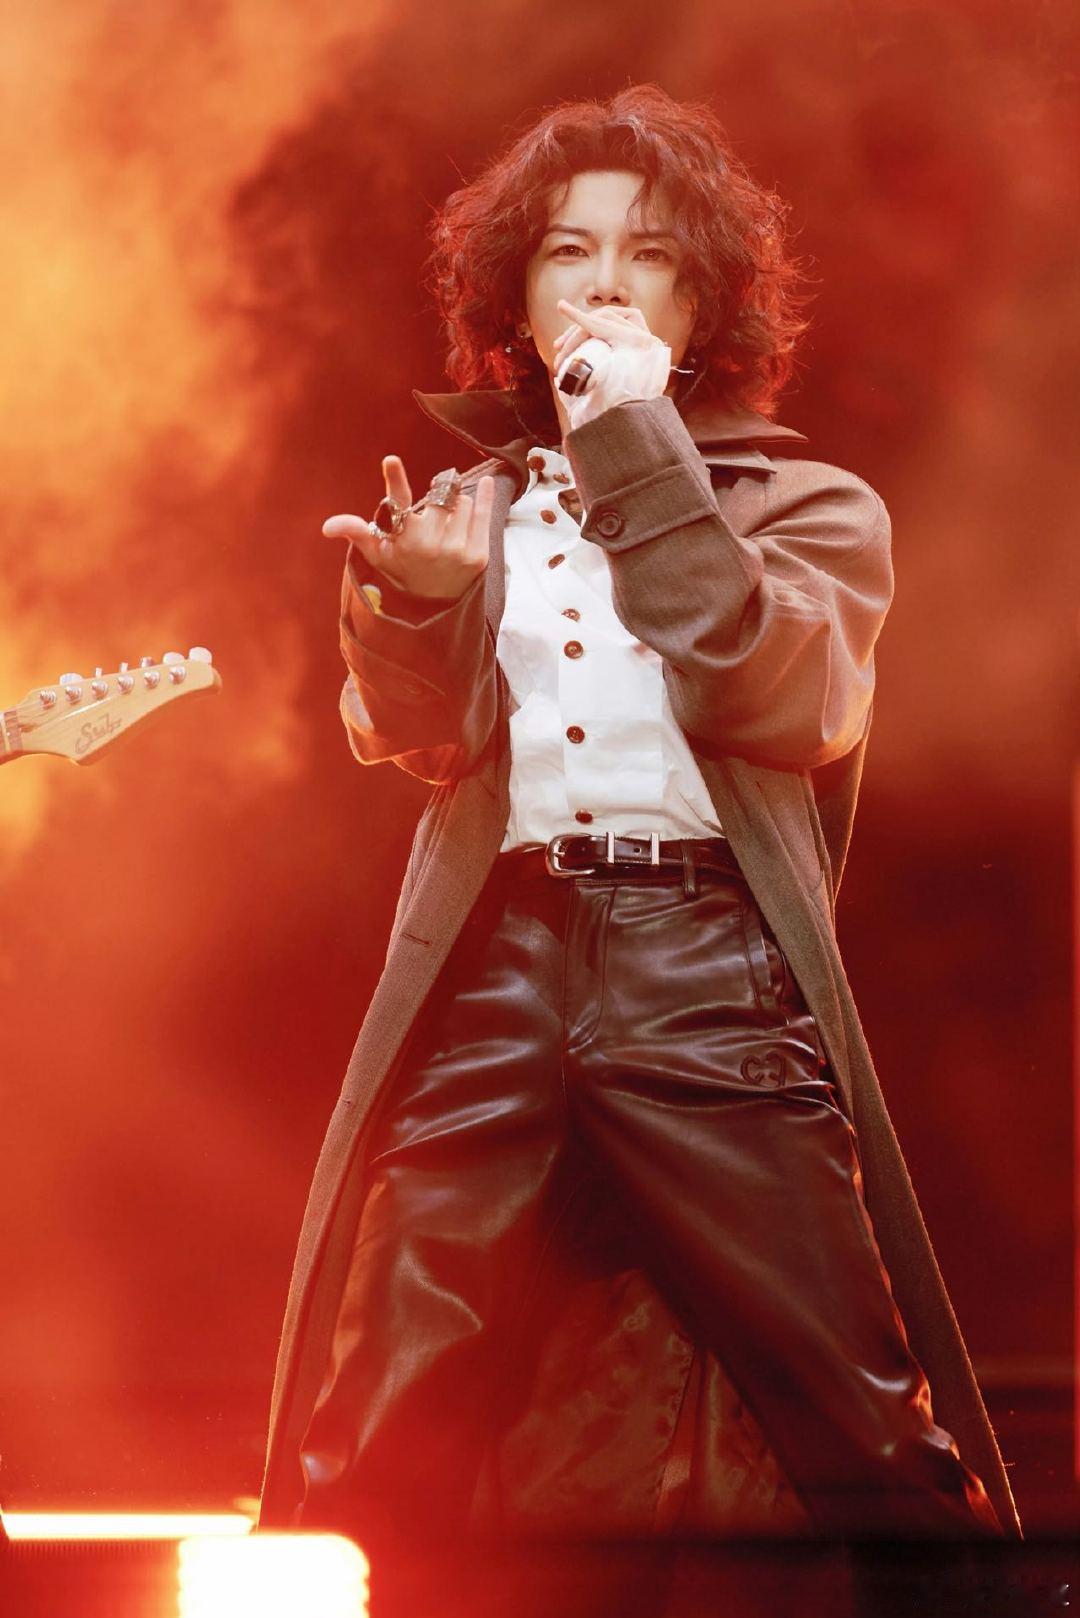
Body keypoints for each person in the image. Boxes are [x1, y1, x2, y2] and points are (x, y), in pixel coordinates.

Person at [259, 84, 1019, 1580]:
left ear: (701, 298)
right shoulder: (473, 508)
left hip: (705, 975)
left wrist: (629, 440)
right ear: (517, 298)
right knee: (379, 1413)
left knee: (861, 1424)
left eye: (648, 253)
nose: (605, 282)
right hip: (501, 966)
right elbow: (418, 736)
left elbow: (766, 686)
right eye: (570, 251)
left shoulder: (807, 505)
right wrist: (415, 600)